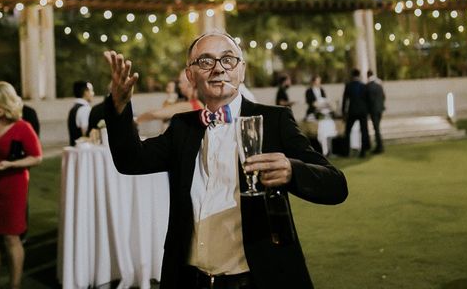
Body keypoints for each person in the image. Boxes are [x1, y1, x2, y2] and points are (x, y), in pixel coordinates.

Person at [103, 30, 348, 289]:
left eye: (228, 59)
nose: (218, 69)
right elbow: (130, 160)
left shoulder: (274, 120)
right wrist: (118, 108)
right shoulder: (182, 127)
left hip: (258, 279)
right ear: (190, 75)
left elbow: (336, 185)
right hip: (190, 280)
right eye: (206, 62)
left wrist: (292, 171)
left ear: (241, 70)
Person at [0, 81, 42, 289]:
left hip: (12, 188)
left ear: (7, 102)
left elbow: (36, 157)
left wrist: (9, 165)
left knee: (11, 238)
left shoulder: (23, 127)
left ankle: (15, 285)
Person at [136, 70, 204, 124]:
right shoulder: (193, 103)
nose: (179, 86)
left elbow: (154, 114)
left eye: (180, 82)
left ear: (190, 83)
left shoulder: (192, 106)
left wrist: (136, 121)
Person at [342, 68, 370, 158]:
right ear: (359, 75)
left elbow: (345, 100)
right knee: (364, 131)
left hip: (352, 111)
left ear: (352, 76)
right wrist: (368, 111)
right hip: (362, 111)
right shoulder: (364, 86)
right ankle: (363, 152)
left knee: (347, 131)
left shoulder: (348, 86)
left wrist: (343, 112)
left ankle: (346, 151)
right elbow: (367, 100)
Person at [67, 81, 94, 146]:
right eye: (91, 91)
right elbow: (86, 134)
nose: (93, 93)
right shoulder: (85, 109)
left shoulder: (74, 108)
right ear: (85, 92)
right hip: (83, 150)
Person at [366, 70, 386, 154]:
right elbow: (383, 97)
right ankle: (379, 146)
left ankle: (379, 147)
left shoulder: (368, 86)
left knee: (376, 128)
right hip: (380, 109)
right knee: (377, 128)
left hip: (373, 110)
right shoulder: (379, 85)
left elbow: (368, 100)